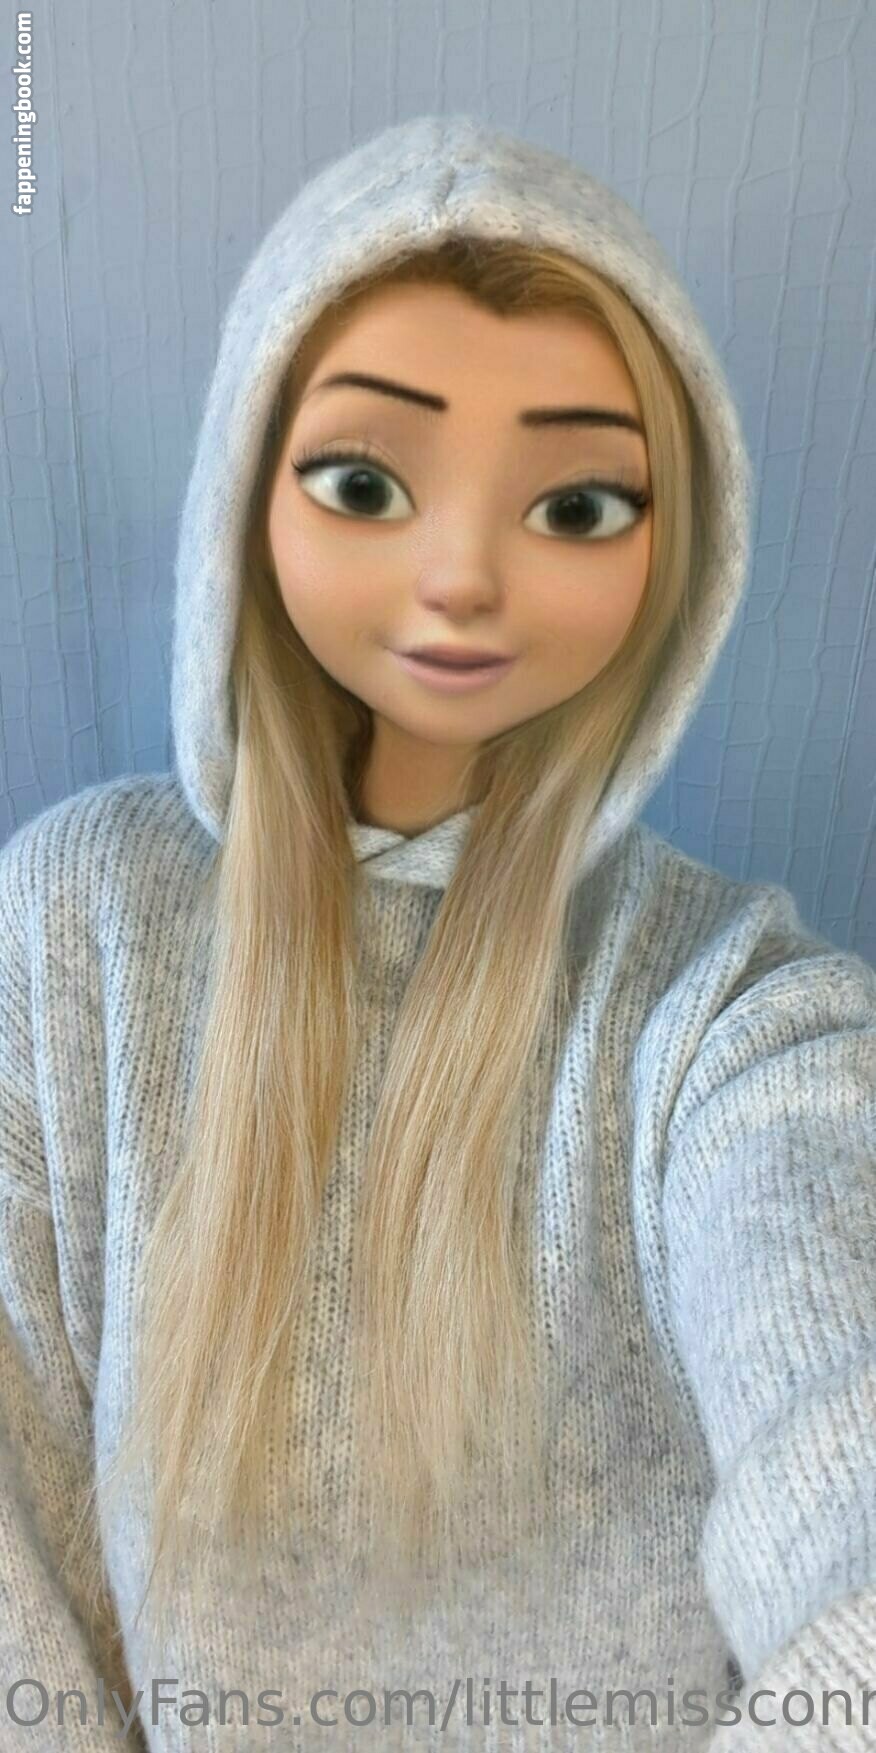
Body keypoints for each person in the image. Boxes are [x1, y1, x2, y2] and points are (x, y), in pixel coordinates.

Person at [0, 113, 873, 1753]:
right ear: (246, 492)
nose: (462, 575)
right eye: (365, 483)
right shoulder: (76, 928)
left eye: (578, 505)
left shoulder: (730, 1016)